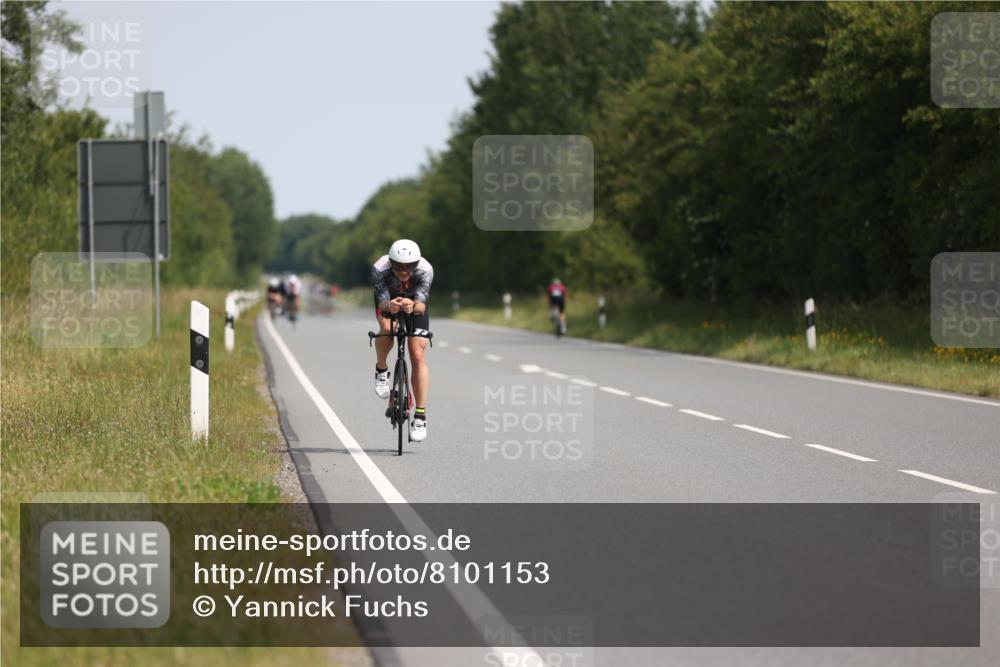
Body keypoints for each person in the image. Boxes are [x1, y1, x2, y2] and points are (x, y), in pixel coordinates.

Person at [371, 239, 434, 442]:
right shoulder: (380, 268)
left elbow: (421, 306)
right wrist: (390, 304)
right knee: (387, 330)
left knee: (417, 353)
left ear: (416, 264)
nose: (403, 271)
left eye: (409, 267)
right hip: (388, 300)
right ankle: (382, 371)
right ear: (390, 262)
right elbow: (381, 301)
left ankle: (421, 416)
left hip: (414, 303)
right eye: (398, 266)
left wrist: (412, 305)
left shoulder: (425, 270)